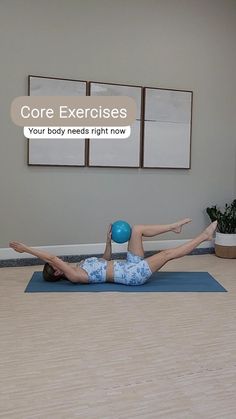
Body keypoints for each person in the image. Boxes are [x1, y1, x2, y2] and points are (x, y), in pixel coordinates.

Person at [9, 219, 217, 286]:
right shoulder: (74, 276)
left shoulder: (80, 265)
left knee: (137, 229)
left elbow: (105, 260)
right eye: (55, 266)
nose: (57, 262)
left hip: (127, 264)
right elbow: (51, 257)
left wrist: (107, 241)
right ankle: (204, 237)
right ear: (57, 273)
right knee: (165, 254)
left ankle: (173, 227)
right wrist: (26, 249)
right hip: (131, 275)